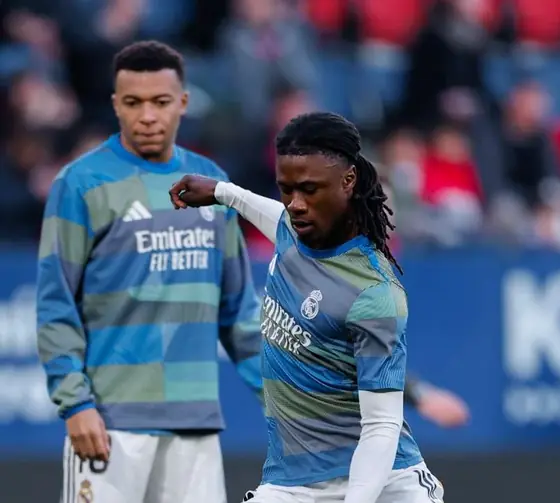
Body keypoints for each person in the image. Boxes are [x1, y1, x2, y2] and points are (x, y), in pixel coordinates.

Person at [170, 111, 449, 503]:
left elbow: (382, 425)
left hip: (384, 483)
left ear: (348, 181)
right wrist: (222, 192)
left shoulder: (373, 293)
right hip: (292, 484)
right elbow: (274, 216)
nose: (295, 204)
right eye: (286, 189)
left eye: (309, 189)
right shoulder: (295, 230)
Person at [36, 40, 264, 503]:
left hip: (195, 424)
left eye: (160, 102)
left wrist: (287, 398)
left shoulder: (211, 181)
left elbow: (240, 314)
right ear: (115, 104)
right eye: (133, 102)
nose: (147, 116)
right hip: (110, 422)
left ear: (182, 102)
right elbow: (55, 304)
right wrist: (75, 403)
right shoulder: (81, 183)